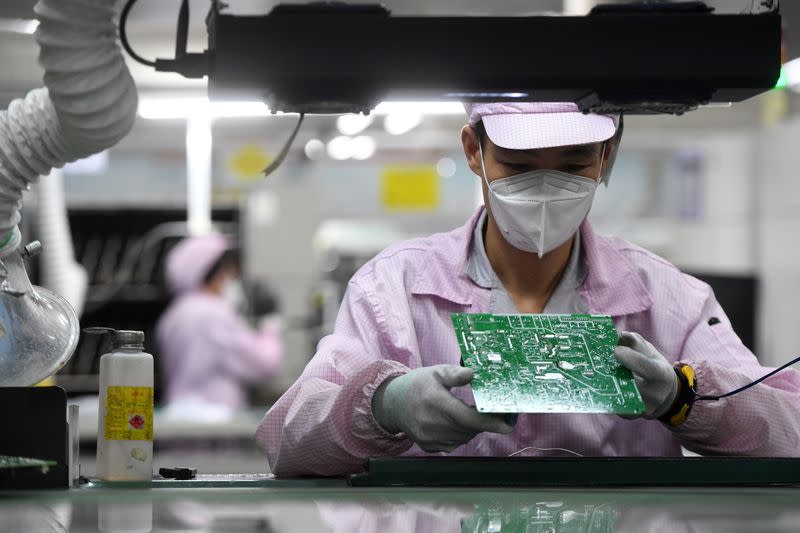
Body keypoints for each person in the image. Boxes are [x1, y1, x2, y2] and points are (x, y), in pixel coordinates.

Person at [257, 102, 800, 476]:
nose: (545, 190)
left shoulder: (670, 298)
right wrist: (383, 406)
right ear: (474, 150)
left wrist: (684, 398)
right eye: (518, 167)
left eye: (573, 165)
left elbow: (791, 432)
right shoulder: (392, 290)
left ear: (606, 155)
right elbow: (286, 438)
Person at [156, 234, 282, 410]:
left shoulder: (174, 314)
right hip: (213, 424)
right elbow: (264, 364)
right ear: (207, 272)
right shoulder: (213, 314)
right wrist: (269, 324)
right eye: (227, 271)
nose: (232, 277)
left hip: (180, 418)